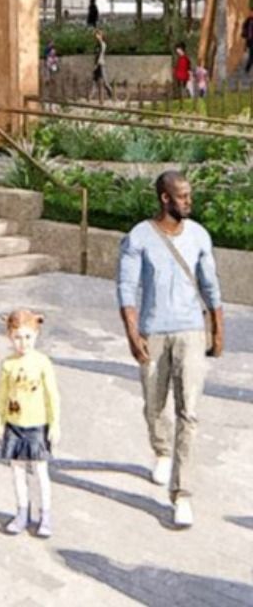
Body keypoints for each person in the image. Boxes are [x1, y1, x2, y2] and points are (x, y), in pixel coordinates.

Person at [117, 170, 224, 528]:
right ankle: (161, 450)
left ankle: (181, 493)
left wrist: (217, 330)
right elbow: (126, 287)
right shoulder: (139, 238)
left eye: (189, 196)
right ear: (165, 198)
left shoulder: (198, 236)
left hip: (191, 331)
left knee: (189, 412)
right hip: (153, 331)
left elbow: (211, 285)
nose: (188, 202)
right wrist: (132, 332)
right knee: (153, 404)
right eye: (182, 197)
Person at [0, 309, 61, 538]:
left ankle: (46, 516)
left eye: (28, 337)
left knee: (41, 471)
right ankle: (22, 512)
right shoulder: (8, 365)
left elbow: (52, 395)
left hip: (37, 425)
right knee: (17, 471)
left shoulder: (42, 362)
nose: (23, 343)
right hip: (15, 424)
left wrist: (54, 424)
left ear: (36, 335)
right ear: (10, 337)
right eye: (18, 337)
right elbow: (1, 396)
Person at [93, 28, 114, 101]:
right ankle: (91, 95)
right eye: (96, 35)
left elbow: (100, 55)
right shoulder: (97, 45)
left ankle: (111, 94)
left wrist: (96, 64)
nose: (96, 36)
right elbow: (96, 55)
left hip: (100, 64)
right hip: (97, 63)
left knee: (105, 81)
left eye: (98, 34)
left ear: (101, 35)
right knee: (95, 80)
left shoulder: (102, 44)